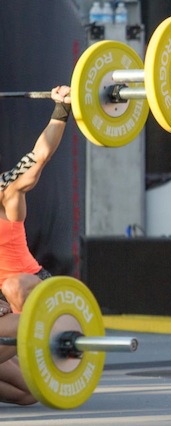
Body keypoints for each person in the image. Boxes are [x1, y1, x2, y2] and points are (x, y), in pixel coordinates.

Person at [0, 85, 72, 405]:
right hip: (6, 311)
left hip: (37, 293)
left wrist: (61, 110)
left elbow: (39, 158)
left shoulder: (7, 196)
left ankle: (37, 343)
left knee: (15, 284)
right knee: (29, 393)